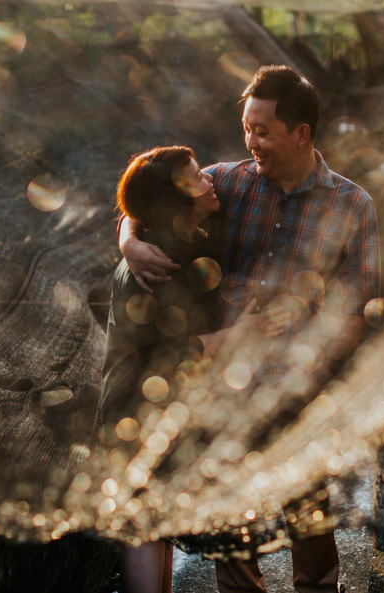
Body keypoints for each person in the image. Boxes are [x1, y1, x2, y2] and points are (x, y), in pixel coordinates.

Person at [119, 66, 381, 593]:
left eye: (263, 130)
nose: (251, 141)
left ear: (301, 133)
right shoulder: (229, 183)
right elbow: (143, 197)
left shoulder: (352, 205)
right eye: (247, 128)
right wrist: (128, 238)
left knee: (307, 513)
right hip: (224, 381)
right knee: (230, 520)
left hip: (296, 384)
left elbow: (359, 310)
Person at [101, 145, 272, 593]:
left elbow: (133, 207)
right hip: (137, 406)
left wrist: (127, 235)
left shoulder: (184, 234)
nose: (208, 180)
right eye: (197, 178)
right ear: (174, 202)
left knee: (156, 519)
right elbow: (174, 354)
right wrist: (241, 334)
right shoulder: (162, 264)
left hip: (161, 403)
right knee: (145, 523)